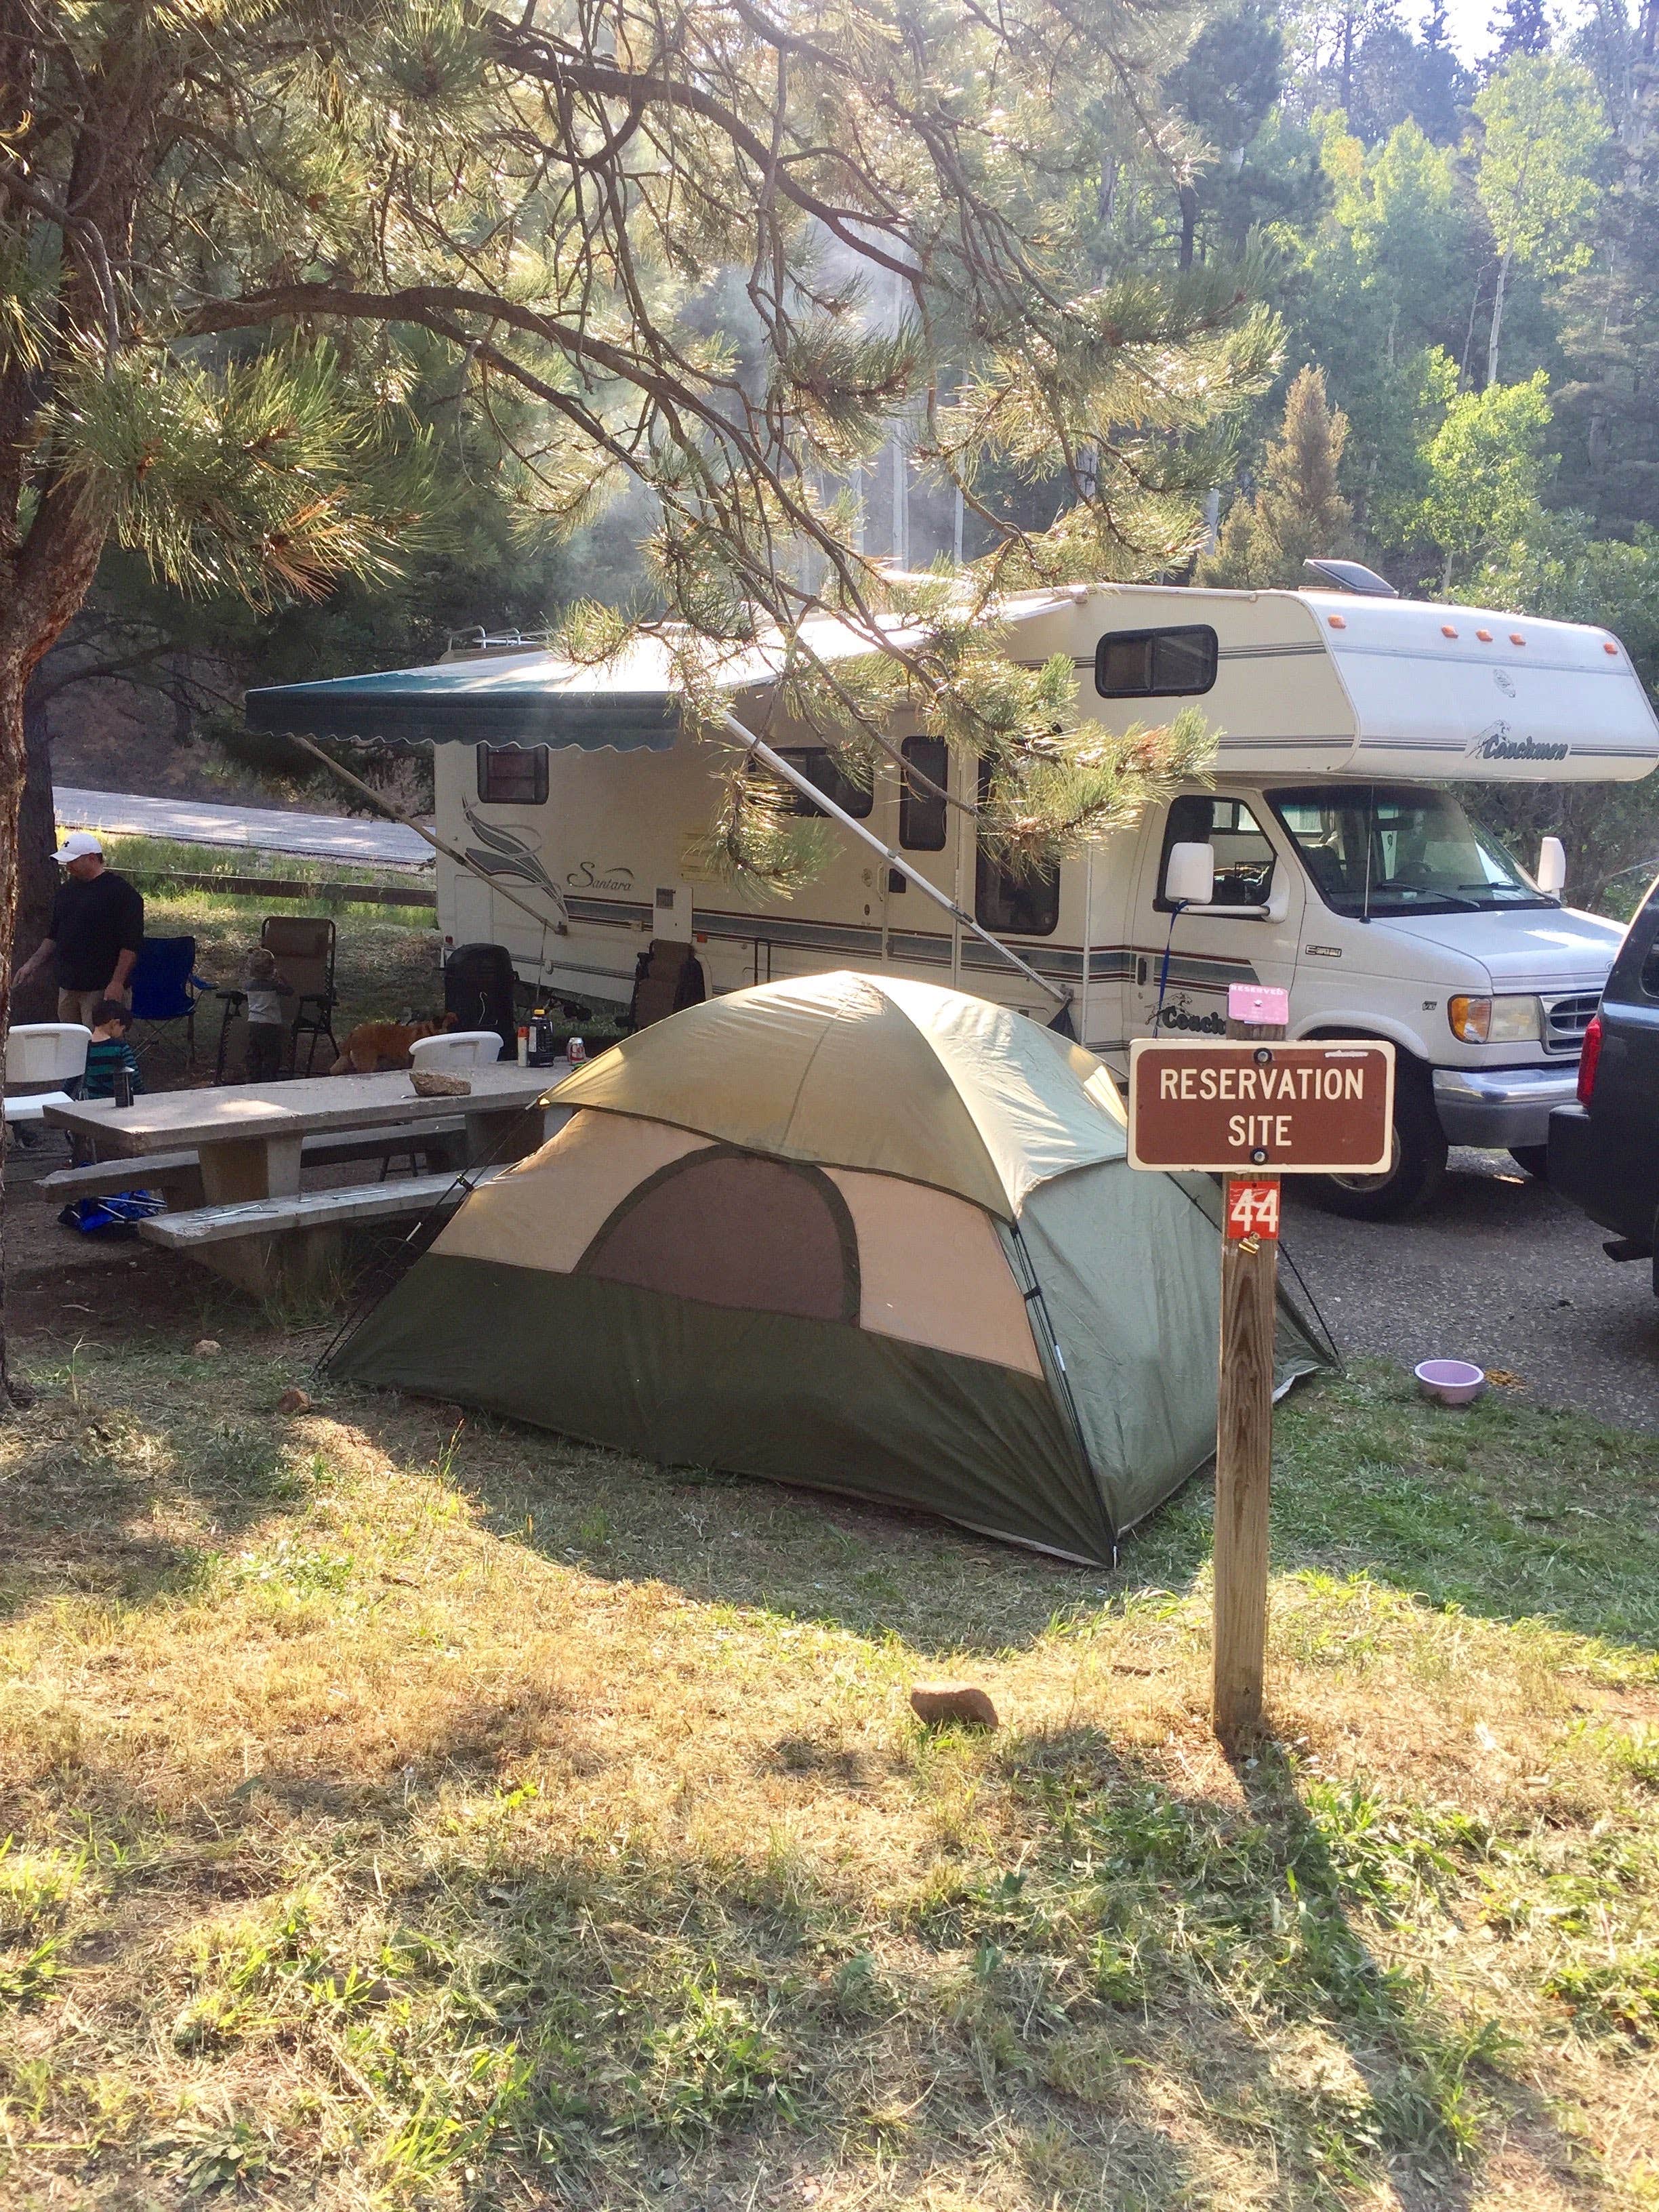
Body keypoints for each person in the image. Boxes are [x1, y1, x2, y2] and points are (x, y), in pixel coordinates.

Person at [14, 831, 144, 1028]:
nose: (67, 867)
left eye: (72, 861)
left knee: (98, 1041)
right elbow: (54, 935)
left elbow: (131, 945)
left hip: (100, 988)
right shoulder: (66, 891)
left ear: (92, 858)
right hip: (68, 987)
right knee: (69, 1040)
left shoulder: (122, 894)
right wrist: (32, 964)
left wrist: (117, 983)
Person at [239, 945, 293, 1082]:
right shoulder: (273, 986)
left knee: (254, 1053)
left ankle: (254, 1078)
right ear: (271, 969)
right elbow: (290, 991)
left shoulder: (249, 986)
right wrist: (283, 978)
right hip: (270, 1024)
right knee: (271, 1054)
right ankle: (269, 1079)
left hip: (253, 1023)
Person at [80, 1001, 143, 1101]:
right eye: (122, 1030)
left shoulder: (83, 1047)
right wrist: (143, 1096)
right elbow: (134, 1077)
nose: (121, 1034)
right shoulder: (120, 1048)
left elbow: (73, 1077)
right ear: (115, 1023)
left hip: (90, 1102)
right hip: (115, 1101)